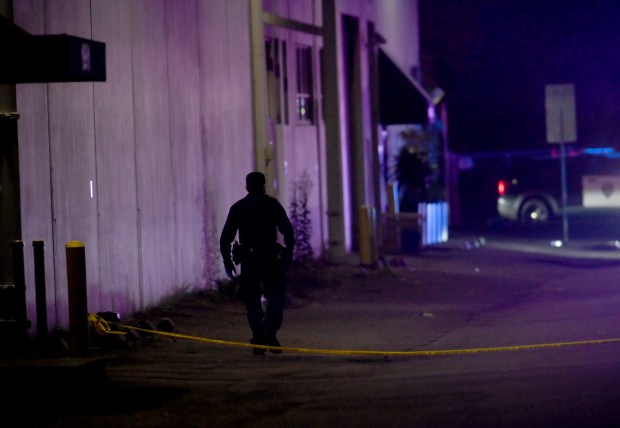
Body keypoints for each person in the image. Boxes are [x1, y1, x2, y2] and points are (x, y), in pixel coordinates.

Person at [219, 172, 295, 355]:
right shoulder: (272, 205)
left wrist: (228, 261)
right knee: (276, 296)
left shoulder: (238, 208)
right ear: (264, 186)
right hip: (270, 258)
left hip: (249, 260)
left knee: (252, 301)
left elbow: (226, 238)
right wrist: (288, 254)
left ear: (247, 187)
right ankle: (270, 331)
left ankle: (259, 338)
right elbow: (288, 231)